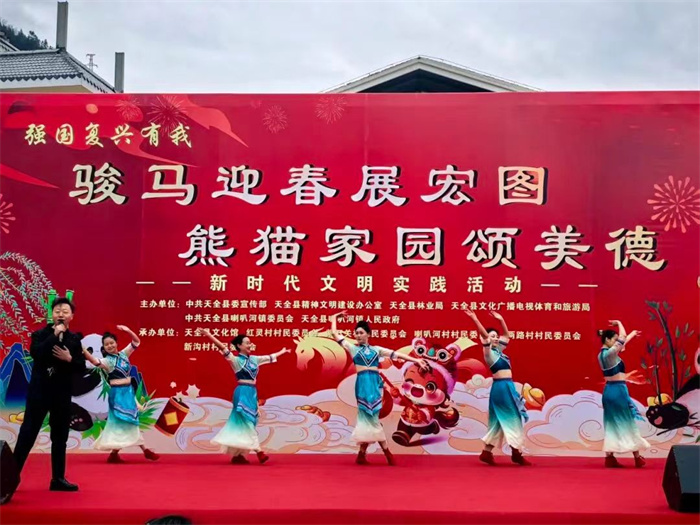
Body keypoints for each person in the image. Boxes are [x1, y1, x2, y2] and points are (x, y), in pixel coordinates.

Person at [330, 311, 430, 465]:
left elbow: (396, 355)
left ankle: (361, 454)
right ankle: (387, 453)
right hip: (363, 385)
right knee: (370, 418)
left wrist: (416, 360)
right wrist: (334, 318)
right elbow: (334, 334)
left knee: (371, 417)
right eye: (356, 333)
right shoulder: (353, 349)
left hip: (375, 385)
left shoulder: (376, 350)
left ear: (368, 334)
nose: (358, 335)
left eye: (361, 333)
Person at [12, 297, 86, 493]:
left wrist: (69, 359)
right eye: (57, 311)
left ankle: (58, 479)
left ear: (72, 316)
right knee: (27, 433)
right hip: (39, 392)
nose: (61, 314)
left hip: (62, 394)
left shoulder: (74, 339)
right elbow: (37, 354)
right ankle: (8, 479)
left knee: (60, 436)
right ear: (52, 314)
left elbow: (81, 367)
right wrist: (54, 335)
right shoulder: (40, 335)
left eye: (65, 312)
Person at [198, 329, 290, 464]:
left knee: (246, 422)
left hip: (252, 393)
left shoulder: (254, 359)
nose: (250, 345)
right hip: (241, 392)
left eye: (250, 342)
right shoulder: (235, 360)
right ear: (239, 346)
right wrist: (208, 335)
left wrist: (282, 351)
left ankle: (238, 455)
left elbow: (269, 357)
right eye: (247, 343)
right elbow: (222, 347)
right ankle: (259, 451)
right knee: (247, 422)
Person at [463, 309, 531, 466]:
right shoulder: (489, 353)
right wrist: (475, 319)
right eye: (492, 336)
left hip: (507, 386)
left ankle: (486, 452)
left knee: (498, 420)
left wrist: (501, 320)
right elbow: (485, 336)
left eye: (496, 336)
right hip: (501, 388)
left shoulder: (498, 351)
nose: (495, 338)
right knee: (513, 417)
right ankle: (516, 453)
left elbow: (506, 336)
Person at [82, 326, 159, 463]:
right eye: (106, 344)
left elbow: (136, 342)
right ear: (104, 348)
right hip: (117, 395)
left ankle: (114, 454)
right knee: (125, 422)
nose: (110, 346)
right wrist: (82, 349)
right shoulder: (107, 361)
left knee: (126, 422)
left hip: (128, 392)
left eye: (112, 343)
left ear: (116, 343)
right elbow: (94, 361)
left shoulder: (124, 354)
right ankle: (145, 450)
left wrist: (128, 330)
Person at [598, 320, 648, 468]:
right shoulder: (610, 354)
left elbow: (623, 341)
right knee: (628, 422)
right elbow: (622, 338)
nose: (616, 343)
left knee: (611, 424)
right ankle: (637, 457)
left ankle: (609, 457)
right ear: (607, 340)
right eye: (614, 340)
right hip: (618, 391)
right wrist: (619, 323)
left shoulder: (604, 355)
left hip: (608, 392)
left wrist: (632, 334)